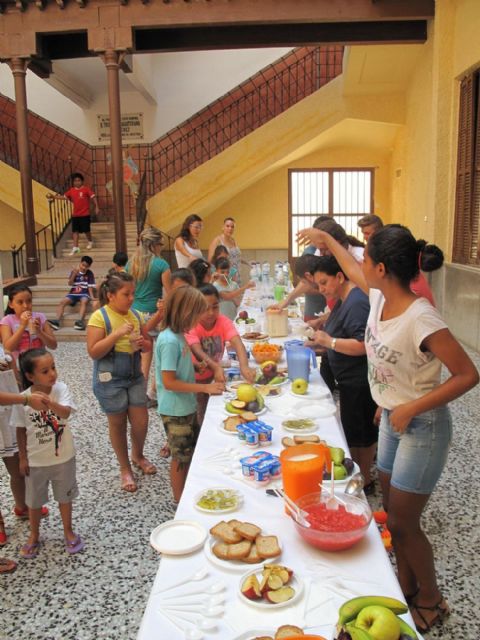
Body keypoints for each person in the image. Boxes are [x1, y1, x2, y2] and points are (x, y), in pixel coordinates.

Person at [297, 222, 479, 633]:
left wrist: (411, 405)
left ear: (381, 267)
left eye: (366, 259)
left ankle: (432, 599)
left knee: (402, 522)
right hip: (393, 419)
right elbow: (351, 264)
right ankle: (406, 585)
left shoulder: (422, 317)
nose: (360, 264)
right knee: (393, 515)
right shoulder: (378, 295)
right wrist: (328, 242)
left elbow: (467, 374)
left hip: (422, 426)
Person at [306, 255, 377, 489]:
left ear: (340, 276)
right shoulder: (343, 299)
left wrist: (330, 342)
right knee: (352, 432)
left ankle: (364, 479)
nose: (322, 289)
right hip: (347, 380)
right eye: (318, 285)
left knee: (362, 434)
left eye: (324, 283)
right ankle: (357, 473)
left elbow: (363, 344)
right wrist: (319, 342)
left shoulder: (356, 301)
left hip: (359, 380)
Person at [10, 348, 83, 558]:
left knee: (64, 497)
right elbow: (20, 430)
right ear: (30, 376)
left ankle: (68, 530)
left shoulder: (60, 389)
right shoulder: (22, 399)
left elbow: (66, 413)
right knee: (33, 501)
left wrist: (49, 402)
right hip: (36, 462)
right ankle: (34, 534)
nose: (52, 374)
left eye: (53, 367)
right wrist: (23, 458)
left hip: (63, 458)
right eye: (45, 371)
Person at [87, 272, 156, 493]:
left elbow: (148, 344)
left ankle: (138, 455)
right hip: (110, 379)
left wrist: (141, 344)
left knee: (141, 421)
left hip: (134, 375)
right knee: (117, 423)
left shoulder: (136, 315)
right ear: (110, 295)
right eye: (126, 294)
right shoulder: (100, 317)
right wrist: (116, 335)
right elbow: (94, 352)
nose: (131, 298)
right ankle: (125, 467)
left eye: (133, 293)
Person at [155, 286, 225, 501]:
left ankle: (187, 491)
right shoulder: (168, 340)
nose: (199, 320)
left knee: (189, 451)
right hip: (176, 410)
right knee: (180, 458)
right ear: (185, 313)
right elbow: (168, 381)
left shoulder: (179, 335)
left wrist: (194, 368)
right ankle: (179, 500)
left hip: (186, 405)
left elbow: (176, 368)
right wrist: (204, 387)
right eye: (197, 314)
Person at [1, 346, 51, 549]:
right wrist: (27, 399)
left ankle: (21, 506)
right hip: (11, 402)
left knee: (17, 467)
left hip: (7, 412)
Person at [185, 284, 255, 425]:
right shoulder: (192, 324)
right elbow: (196, 350)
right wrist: (216, 367)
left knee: (212, 412)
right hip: (193, 379)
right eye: (205, 308)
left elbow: (238, 344)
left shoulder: (223, 321)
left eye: (215, 307)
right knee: (197, 414)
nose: (211, 312)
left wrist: (244, 366)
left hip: (213, 376)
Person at [127, 227, 171, 389]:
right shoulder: (161, 264)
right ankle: (153, 390)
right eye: (160, 244)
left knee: (141, 355)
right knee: (162, 356)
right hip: (155, 314)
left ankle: (139, 391)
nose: (161, 247)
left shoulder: (131, 264)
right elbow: (170, 292)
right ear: (154, 245)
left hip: (134, 313)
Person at [1, 284, 57, 362]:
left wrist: (39, 332)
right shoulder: (7, 320)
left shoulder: (40, 317)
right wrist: (22, 326)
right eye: (20, 302)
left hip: (39, 363)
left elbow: (53, 345)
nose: (26, 306)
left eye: (29, 301)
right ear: (11, 304)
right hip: (18, 365)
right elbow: (8, 348)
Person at [47, 172, 99, 255]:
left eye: (79, 180)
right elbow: (64, 197)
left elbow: (93, 197)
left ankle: (90, 241)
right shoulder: (72, 190)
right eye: (75, 181)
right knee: (75, 231)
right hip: (75, 215)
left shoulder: (86, 189)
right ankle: (75, 247)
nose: (77, 182)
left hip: (85, 214)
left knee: (86, 230)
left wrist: (97, 207)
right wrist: (54, 197)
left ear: (82, 181)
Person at [49, 256, 96, 331]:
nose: (84, 267)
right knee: (62, 302)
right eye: (83, 265)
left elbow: (90, 287)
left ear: (89, 267)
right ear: (80, 263)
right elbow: (70, 284)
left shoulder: (90, 273)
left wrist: (92, 297)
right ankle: (57, 321)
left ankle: (79, 321)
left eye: (86, 266)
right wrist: (74, 274)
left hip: (84, 293)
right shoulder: (74, 271)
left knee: (84, 302)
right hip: (73, 293)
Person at [207, 217, 245, 283]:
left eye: (232, 227)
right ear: (223, 227)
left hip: (236, 275)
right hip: (225, 276)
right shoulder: (217, 240)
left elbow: (236, 257)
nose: (230, 228)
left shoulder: (233, 240)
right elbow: (210, 261)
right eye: (227, 226)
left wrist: (248, 263)